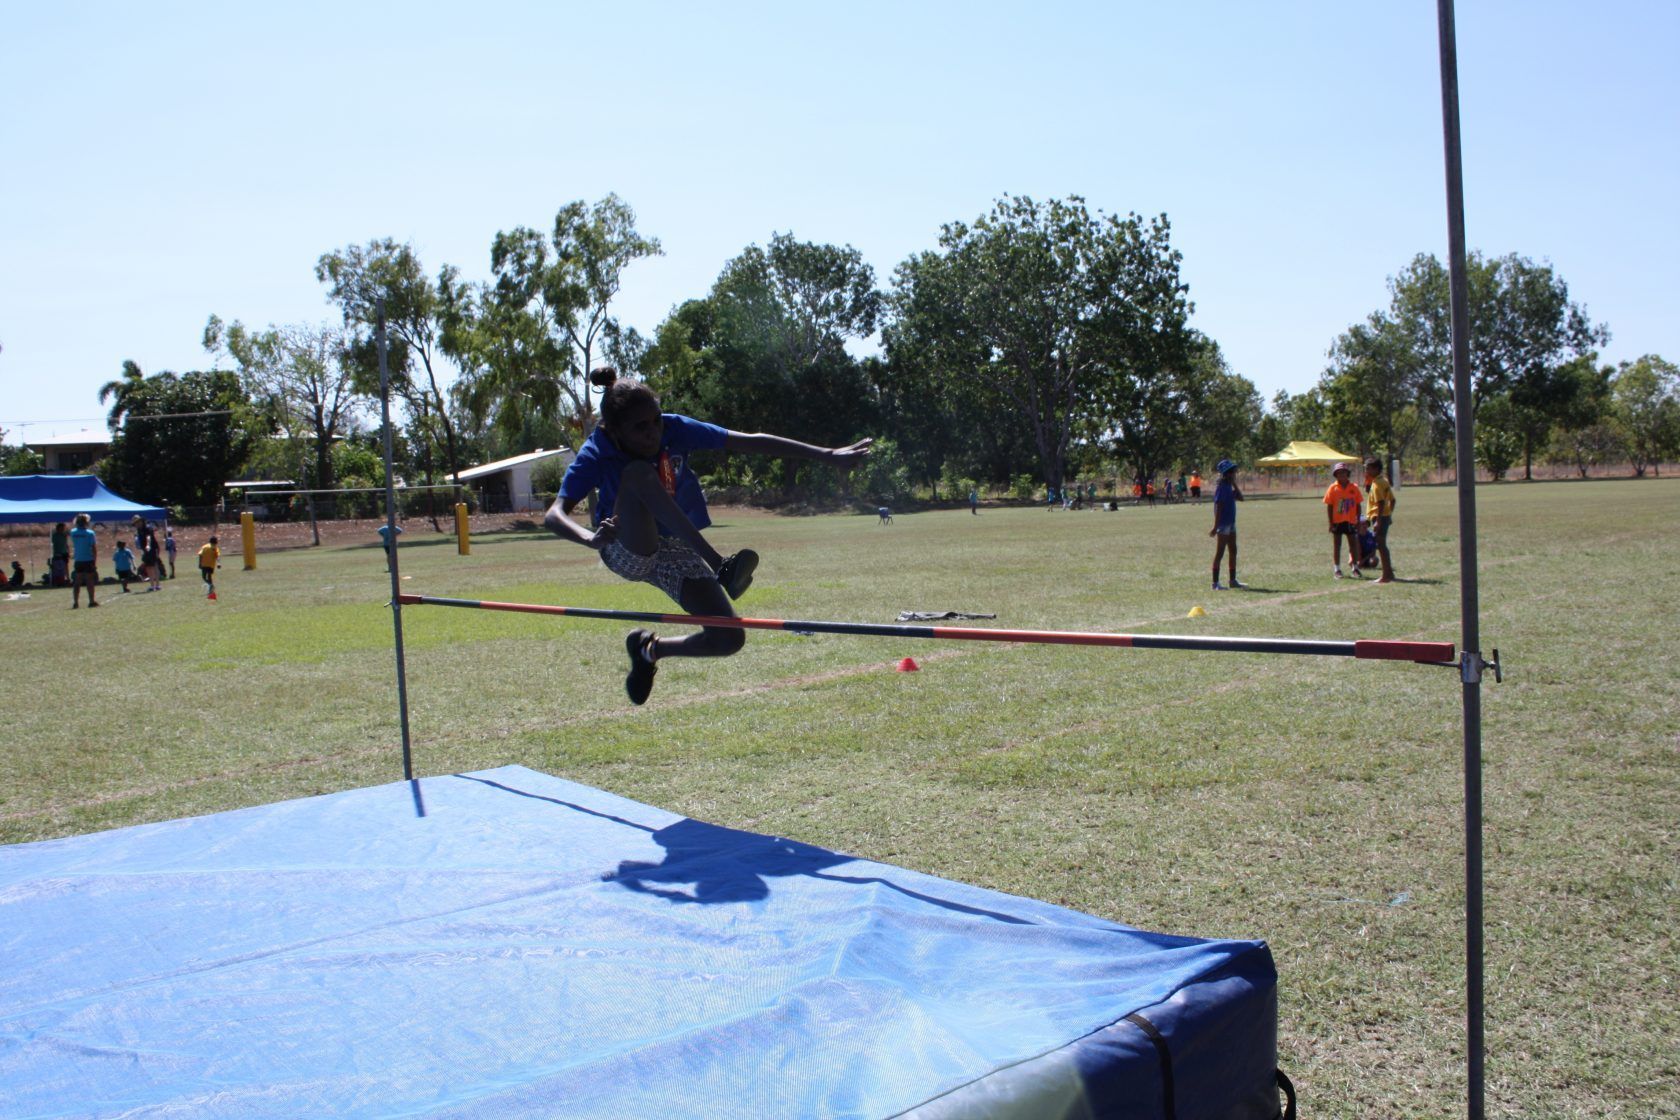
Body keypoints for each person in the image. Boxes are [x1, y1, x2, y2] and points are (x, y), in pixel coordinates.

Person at [546, 367, 870, 705]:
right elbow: (554, 514)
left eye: (655, 421)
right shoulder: (597, 450)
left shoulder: (674, 428)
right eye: (639, 427)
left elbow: (750, 441)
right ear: (614, 431)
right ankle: (720, 564)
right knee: (639, 473)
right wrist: (590, 539)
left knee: (728, 638)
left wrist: (827, 455)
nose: (652, 433)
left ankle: (649, 650)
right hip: (623, 548)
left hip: (671, 545)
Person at [1323, 462, 1365, 579]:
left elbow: (1358, 504)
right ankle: (1337, 569)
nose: (1342, 475)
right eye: (1339, 473)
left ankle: (1355, 567)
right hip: (1337, 521)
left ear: (1348, 474)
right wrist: (1331, 523)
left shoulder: (1354, 488)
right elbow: (1330, 506)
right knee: (1337, 545)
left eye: (1344, 472)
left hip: (1351, 521)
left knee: (1353, 544)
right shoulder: (1333, 488)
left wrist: (1357, 519)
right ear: (1335, 475)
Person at [1208, 458, 1244, 590]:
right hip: (1223, 525)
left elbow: (1241, 498)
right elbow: (1219, 507)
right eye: (1233, 472)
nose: (1235, 474)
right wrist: (1215, 526)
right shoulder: (1222, 487)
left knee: (1233, 550)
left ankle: (1232, 580)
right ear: (1227, 473)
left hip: (1231, 523)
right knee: (1220, 553)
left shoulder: (1229, 486)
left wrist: (1234, 485)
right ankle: (1215, 583)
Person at [1364, 458, 1397, 584]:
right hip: (1384, 516)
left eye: (1369, 468)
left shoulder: (1377, 484)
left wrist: (1378, 521)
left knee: (1381, 545)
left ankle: (1385, 576)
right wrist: (1389, 515)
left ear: (1376, 469)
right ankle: (1389, 573)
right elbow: (1393, 500)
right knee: (1381, 545)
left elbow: (1381, 503)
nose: (1366, 470)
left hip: (1379, 517)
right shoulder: (1384, 481)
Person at [68, 513, 99, 608]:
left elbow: (71, 543)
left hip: (78, 560)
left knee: (77, 582)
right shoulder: (90, 533)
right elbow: (93, 548)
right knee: (90, 582)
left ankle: (76, 602)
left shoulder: (73, 532)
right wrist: (94, 561)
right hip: (88, 559)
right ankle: (91, 601)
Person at [50, 522, 70, 587]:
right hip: (57, 553)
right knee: (59, 567)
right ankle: (59, 579)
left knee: (66, 566)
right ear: (58, 528)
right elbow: (53, 544)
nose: (62, 529)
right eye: (61, 528)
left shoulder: (64, 535)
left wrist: (68, 551)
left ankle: (67, 578)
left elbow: (66, 544)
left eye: (63, 528)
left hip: (64, 552)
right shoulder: (54, 536)